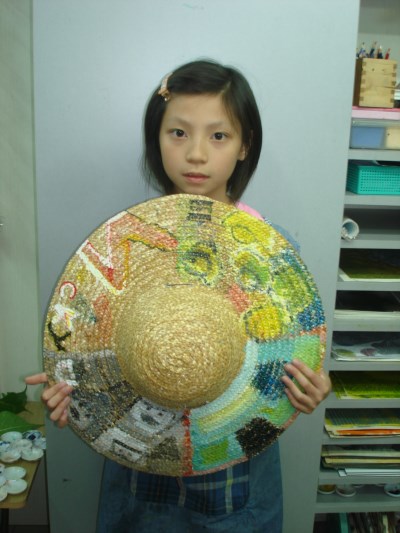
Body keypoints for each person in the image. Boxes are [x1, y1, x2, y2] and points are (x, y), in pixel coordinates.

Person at [26, 59, 331, 532]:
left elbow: (290, 354)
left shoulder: (271, 250)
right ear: (157, 139)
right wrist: (76, 391)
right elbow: (95, 353)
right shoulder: (124, 248)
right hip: (137, 481)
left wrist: (309, 387)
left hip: (238, 486)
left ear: (245, 144)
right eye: (178, 133)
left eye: (218, 135)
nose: (196, 154)